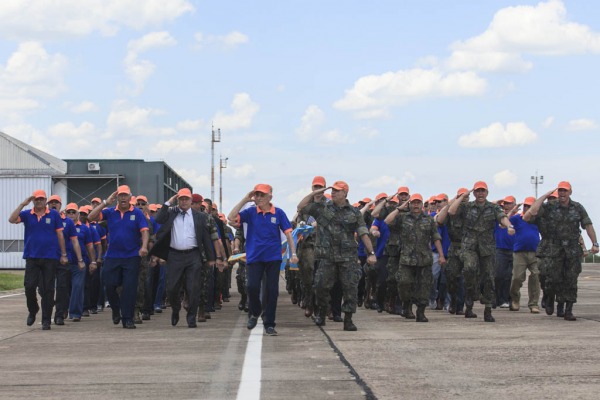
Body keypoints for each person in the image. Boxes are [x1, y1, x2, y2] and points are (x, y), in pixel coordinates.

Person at [297, 181, 377, 331]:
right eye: (332, 190)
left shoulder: (354, 213)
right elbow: (301, 207)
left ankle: (348, 319)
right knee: (320, 286)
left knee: (349, 289)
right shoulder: (322, 208)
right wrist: (315, 194)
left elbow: (363, 232)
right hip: (327, 257)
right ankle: (321, 311)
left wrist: (371, 253)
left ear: (345, 193)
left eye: (337, 191)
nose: (333, 193)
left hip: (347, 258)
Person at [228, 184, 298, 336]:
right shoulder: (250, 212)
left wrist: (293, 253)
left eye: (261, 195)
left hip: (273, 257)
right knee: (252, 287)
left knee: (272, 291)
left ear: (270, 197)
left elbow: (289, 235)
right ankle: (255, 312)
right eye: (256, 195)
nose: (258, 198)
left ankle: (269, 323)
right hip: (254, 257)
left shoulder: (278, 213)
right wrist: (245, 199)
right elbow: (231, 218)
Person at [524, 182, 599, 320]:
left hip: (572, 249)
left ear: (570, 192)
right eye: (560, 191)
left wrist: (595, 243)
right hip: (553, 249)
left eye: (565, 191)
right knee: (552, 278)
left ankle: (567, 310)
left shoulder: (578, 207)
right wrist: (544, 196)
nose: (562, 194)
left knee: (570, 280)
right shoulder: (549, 206)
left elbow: (588, 225)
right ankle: (549, 296)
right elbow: (531, 213)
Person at [448, 181, 514, 322]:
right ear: (474, 193)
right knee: (469, 269)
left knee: (490, 277)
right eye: (477, 191)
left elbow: (502, 218)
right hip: (469, 247)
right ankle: (470, 304)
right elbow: (451, 211)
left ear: (487, 193)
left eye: (483, 191)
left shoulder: (493, 207)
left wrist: (509, 226)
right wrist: (462, 196)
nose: (480, 194)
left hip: (487, 248)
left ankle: (488, 310)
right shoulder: (467, 206)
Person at [150, 188, 216, 328]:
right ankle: (175, 309)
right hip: (174, 255)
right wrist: (168, 202)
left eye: (186, 199)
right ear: (177, 200)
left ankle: (191, 317)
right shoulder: (170, 213)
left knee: (193, 288)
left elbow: (205, 238)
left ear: (191, 201)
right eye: (181, 199)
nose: (184, 201)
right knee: (172, 288)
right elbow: (158, 219)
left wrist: (211, 258)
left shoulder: (200, 216)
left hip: (193, 255)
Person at [88, 185, 149, 329]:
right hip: (113, 256)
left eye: (125, 195)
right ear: (117, 197)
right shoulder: (110, 212)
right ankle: (116, 309)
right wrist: (105, 203)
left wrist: (144, 246)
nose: (123, 198)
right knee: (109, 285)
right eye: (120, 195)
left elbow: (145, 231)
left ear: (130, 197)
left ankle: (128, 318)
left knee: (129, 288)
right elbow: (91, 217)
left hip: (131, 256)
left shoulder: (137, 213)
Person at [9, 190, 71, 330]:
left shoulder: (54, 214)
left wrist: (63, 254)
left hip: (50, 257)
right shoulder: (27, 214)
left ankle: (46, 320)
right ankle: (33, 309)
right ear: (33, 201)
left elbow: (60, 234)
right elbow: (12, 220)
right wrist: (22, 204)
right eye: (36, 199)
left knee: (48, 289)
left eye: (41, 199)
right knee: (29, 286)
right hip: (32, 256)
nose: (39, 201)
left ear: (45, 200)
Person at [384, 194, 445, 322]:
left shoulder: (428, 220)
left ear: (422, 205)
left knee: (424, 286)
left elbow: (436, 237)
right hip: (407, 258)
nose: (416, 205)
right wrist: (400, 208)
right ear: (409, 204)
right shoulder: (403, 218)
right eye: (413, 203)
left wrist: (441, 255)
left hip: (424, 258)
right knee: (404, 283)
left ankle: (420, 311)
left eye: (418, 203)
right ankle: (406, 305)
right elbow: (387, 221)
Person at [508, 197, 541, 313]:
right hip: (519, 252)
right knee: (517, 278)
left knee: (536, 275)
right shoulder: (517, 218)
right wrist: (512, 211)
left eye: (530, 206)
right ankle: (515, 299)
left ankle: (533, 304)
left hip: (535, 252)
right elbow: (505, 221)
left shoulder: (538, 219)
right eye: (526, 206)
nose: (527, 208)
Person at [494, 195, 516, 308]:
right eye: (505, 204)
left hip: (513, 250)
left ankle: (506, 299)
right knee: (498, 275)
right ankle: (497, 298)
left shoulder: (517, 217)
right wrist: (497, 202)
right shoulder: (499, 217)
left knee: (509, 276)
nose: (506, 206)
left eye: (509, 203)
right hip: (500, 249)